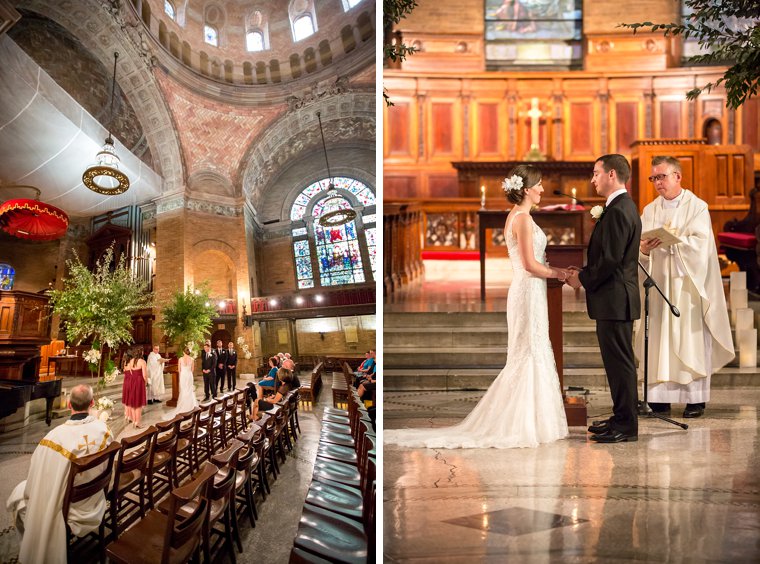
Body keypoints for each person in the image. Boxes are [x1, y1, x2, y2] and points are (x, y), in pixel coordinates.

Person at [385, 164, 570, 449]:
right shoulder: (520, 218)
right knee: (528, 352)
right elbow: (530, 265)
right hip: (527, 290)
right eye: (540, 184)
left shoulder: (521, 216)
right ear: (526, 189)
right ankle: (523, 423)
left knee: (533, 350)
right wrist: (561, 274)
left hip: (532, 291)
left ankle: (534, 419)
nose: (543, 189)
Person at [636, 156, 734, 418]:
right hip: (659, 286)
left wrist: (675, 243)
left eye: (662, 176)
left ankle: (694, 400)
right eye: (653, 178)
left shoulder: (697, 207)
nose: (658, 183)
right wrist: (643, 249)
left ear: (678, 176)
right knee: (660, 340)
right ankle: (659, 399)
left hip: (686, 286)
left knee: (688, 340)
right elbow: (641, 249)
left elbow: (703, 246)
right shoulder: (649, 210)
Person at [565, 154, 642, 443]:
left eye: (596, 173)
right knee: (615, 363)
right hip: (612, 299)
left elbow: (610, 260)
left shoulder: (620, 210)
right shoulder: (618, 207)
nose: (592, 179)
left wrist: (581, 278)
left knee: (621, 364)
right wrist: (585, 272)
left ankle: (627, 426)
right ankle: (620, 417)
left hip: (616, 299)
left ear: (612, 174)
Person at [7, 385, 112, 564]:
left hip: (71, 509)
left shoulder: (53, 440)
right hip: (96, 500)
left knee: (18, 495)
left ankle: (33, 546)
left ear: (69, 404)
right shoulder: (104, 430)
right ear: (92, 403)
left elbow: (34, 486)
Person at [164, 347, 198, 419]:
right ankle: (190, 407)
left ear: (183, 352)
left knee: (183, 390)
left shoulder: (180, 359)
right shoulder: (192, 359)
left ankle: (183, 407)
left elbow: (179, 370)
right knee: (189, 390)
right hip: (189, 376)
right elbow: (192, 370)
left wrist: (183, 373)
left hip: (183, 376)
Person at [122, 346, 148, 428]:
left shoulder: (130, 361)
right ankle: (138, 422)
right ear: (141, 352)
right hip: (139, 382)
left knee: (133, 403)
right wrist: (146, 382)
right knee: (139, 404)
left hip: (132, 382)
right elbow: (144, 375)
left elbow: (130, 373)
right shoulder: (142, 362)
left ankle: (134, 421)